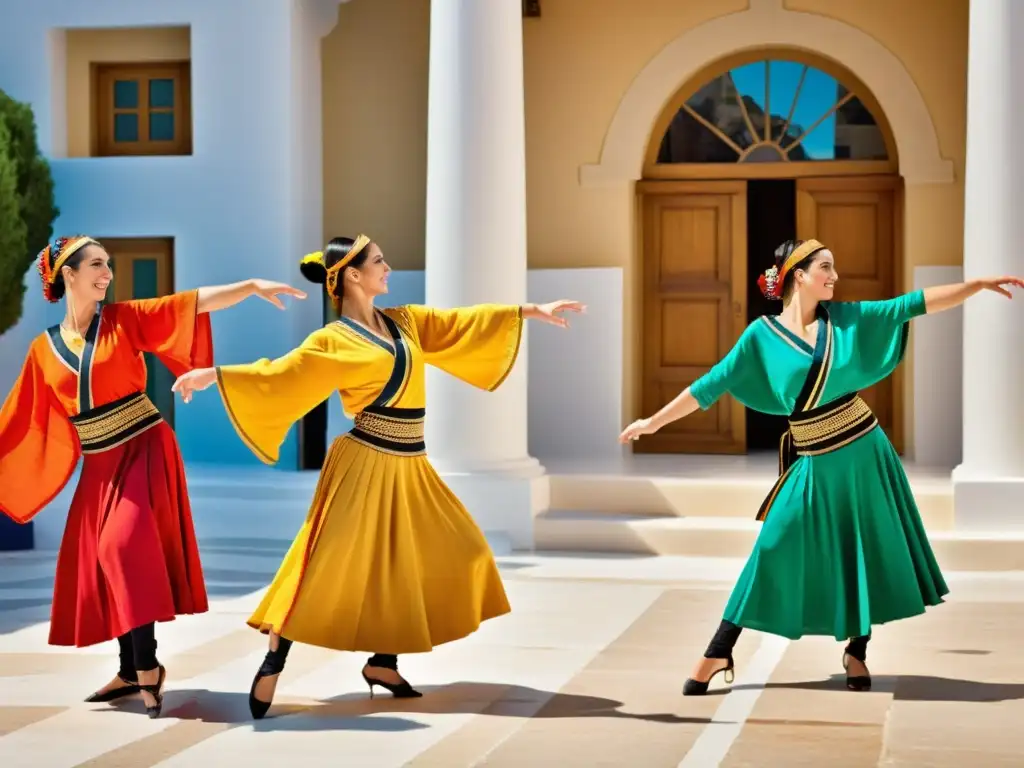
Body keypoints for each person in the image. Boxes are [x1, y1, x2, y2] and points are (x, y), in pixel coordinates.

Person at [170, 234, 585, 719]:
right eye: (379, 262)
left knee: (449, 552)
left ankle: (383, 663)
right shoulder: (331, 340)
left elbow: (461, 322)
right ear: (352, 275)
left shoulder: (405, 321)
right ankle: (273, 659)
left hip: (411, 462)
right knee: (322, 562)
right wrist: (215, 374)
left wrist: (529, 309)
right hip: (364, 461)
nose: (388, 268)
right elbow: (281, 375)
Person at [619, 238, 1024, 695]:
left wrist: (975, 285)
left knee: (863, 551)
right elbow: (709, 385)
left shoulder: (847, 319)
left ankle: (858, 651)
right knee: (771, 547)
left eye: (834, 268)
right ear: (798, 275)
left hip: (863, 450)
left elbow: (911, 306)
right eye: (825, 267)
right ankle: (720, 648)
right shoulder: (761, 336)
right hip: (812, 458)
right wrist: (652, 422)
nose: (834, 276)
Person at [0, 235, 306, 717]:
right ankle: (129, 671)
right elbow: (23, 419)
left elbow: (191, 302)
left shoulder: (124, 320)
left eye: (108, 264)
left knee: (122, 547)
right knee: (107, 561)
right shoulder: (43, 350)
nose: (107, 273)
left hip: (144, 445)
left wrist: (248, 287)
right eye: (96, 264)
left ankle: (147, 665)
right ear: (68, 275)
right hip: (99, 461)